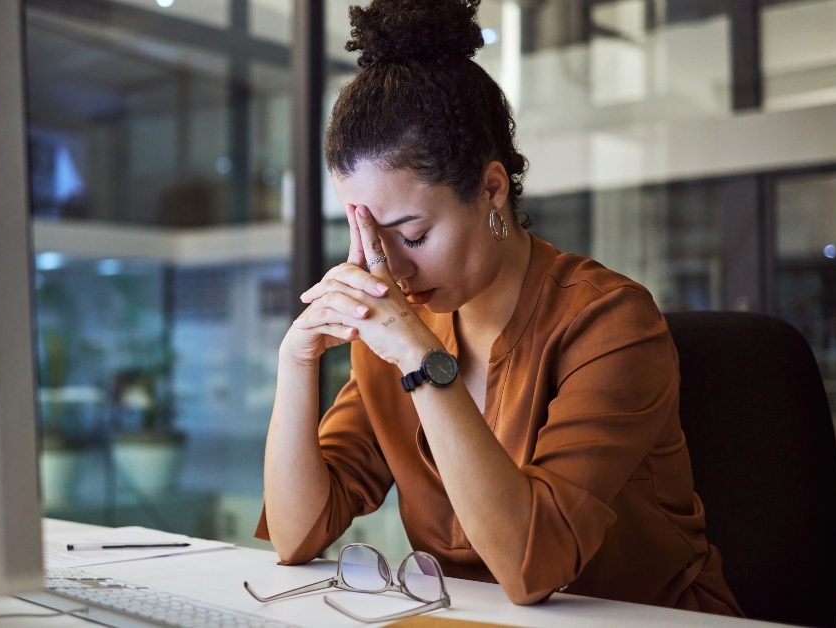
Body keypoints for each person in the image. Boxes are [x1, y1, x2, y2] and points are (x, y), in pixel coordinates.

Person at [256, 0, 743, 616]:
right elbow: (298, 535)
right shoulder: (399, 335)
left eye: (411, 236)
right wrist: (295, 361)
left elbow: (531, 566)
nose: (393, 271)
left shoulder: (612, 322)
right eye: (373, 242)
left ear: (491, 189)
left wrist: (422, 362)